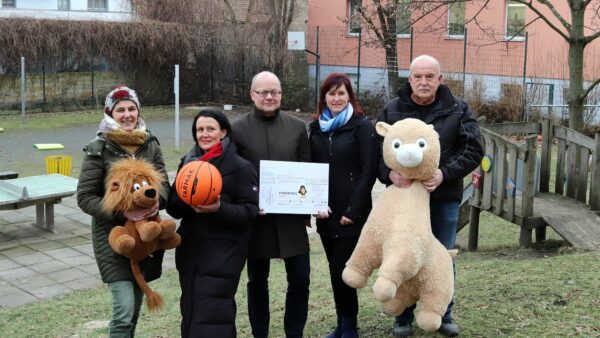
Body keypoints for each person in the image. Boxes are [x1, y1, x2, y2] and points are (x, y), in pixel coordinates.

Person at [377, 55, 483, 337]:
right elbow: (376, 152)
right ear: (409, 79)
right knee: (404, 254)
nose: (423, 82)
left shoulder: (458, 110)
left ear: (440, 79)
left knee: (442, 256)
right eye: (418, 76)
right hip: (404, 201)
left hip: (443, 197)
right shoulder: (392, 110)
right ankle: (402, 317)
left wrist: (444, 174)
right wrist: (389, 174)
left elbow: (473, 149)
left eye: (429, 76)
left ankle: (442, 313)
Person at [77, 85, 170, 338]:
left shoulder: (149, 144)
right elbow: (85, 198)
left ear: (138, 111)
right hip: (113, 240)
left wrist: (155, 203)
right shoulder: (99, 148)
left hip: (144, 239)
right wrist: (123, 213)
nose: (127, 114)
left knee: (134, 311)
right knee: (124, 311)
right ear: (110, 113)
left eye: (132, 108)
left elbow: (164, 188)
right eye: (121, 110)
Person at [231, 71, 311, 338]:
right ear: (252, 94)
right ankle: (260, 334)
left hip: (291, 218)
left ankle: (294, 332)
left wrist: (313, 203)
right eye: (263, 92)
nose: (269, 97)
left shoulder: (298, 127)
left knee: (300, 279)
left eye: (274, 92)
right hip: (256, 218)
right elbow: (233, 173)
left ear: (281, 94)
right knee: (257, 283)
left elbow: (306, 170)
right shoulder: (237, 128)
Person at [166, 109, 259, 338]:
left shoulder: (241, 167)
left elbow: (249, 212)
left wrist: (219, 208)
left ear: (223, 132)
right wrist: (191, 200)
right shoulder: (188, 164)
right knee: (191, 309)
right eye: (200, 129)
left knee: (215, 313)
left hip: (224, 254)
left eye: (210, 129)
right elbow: (173, 206)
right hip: (190, 251)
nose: (204, 134)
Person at [308, 73, 379, 338]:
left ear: (349, 96)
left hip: (352, 214)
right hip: (325, 213)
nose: (336, 98)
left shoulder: (361, 126)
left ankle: (349, 325)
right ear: (323, 97)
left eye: (341, 93)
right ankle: (342, 323)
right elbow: (310, 169)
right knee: (334, 269)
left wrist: (353, 210)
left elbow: (368, 170)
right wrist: (312, 204)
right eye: (331, 93)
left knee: (345, 270)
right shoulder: (316, 127)